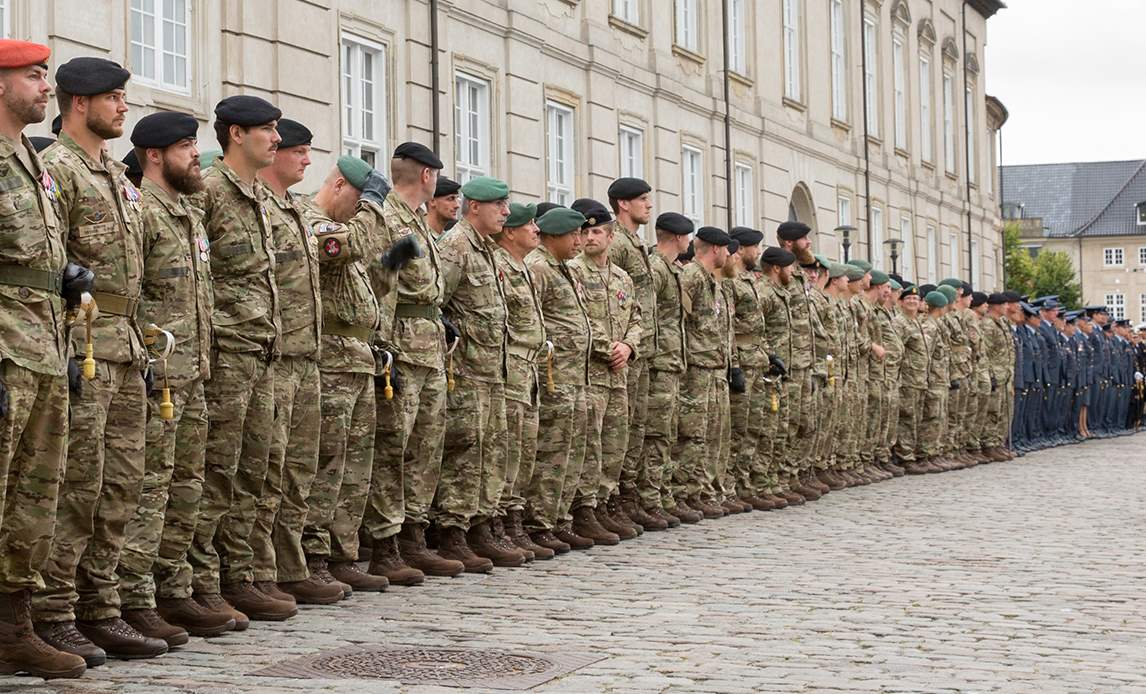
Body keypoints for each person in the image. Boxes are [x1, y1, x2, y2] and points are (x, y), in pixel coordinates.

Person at [34, 57, 167, 663]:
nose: (122, 107)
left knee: (121, 485)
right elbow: (51, 268)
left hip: (124, 348)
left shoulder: (116, 178)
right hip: (80, 348)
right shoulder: (55, 169)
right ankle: (53, 611)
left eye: (123, 95)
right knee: (76, 487)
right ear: (78, 104)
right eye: (112, 97)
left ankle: (100, 605)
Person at [116, 111, 236, 645]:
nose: (196, 154)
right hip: (157, 375)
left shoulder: (186, 214)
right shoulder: (141, 211)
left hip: (194, 372)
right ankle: (135, 596)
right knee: (149, 485)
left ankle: (172, 587)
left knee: (186, 486)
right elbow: (132, 291)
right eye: (186, 146)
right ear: (156, 155)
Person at [0, 38, 90, 680]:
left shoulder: (32, 162)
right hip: (4, 348)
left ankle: (11, 627)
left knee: (34, 498)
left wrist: (66, 277)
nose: (44, 86)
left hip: (41, 347)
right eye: (33, 76)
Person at [188, 94, 292, 626]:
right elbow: (197, 273)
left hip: (263, 350)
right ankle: (203, 581)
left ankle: (242, 573)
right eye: (267, 130)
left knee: (259, 470)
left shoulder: (260, 197)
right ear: (236, 135)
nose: (276, 140)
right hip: (227, 351)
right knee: (218, 470)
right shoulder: (209, 190)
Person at [300, 155, 411, 594]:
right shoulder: (313, 221)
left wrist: (393, 256)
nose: (360, 212)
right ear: (342, 187)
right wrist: (373, 207)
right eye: (359, 201)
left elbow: (371, 275)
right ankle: (313, 554)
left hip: (358, 356)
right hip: (331, 356)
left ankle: (342, 552)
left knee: (354, 468)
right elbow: (347, 247)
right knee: (326, 464)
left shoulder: (348, 226)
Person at [251, 118, 342, 607]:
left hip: (306, 355)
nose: (308, 161)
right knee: (267, 470)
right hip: (273, 355)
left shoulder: (293, 210)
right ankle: (259, 569)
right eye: (300, 151)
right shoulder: (259, 205)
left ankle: (289, 565)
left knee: (298, 469)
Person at [363, 142, 463, 584]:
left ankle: (415, 536)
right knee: (394, 448)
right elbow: (382, 286)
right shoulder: (391, 219)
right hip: (402, 346)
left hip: (429, 347)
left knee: (426, 446)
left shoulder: (418, 222)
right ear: (427, 176)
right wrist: (383, 347)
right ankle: (386, 543)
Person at [436, 176, 520, 569]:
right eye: (498, 205)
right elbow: (437, 301)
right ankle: (453, 530)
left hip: (492, 369)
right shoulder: (456, 246)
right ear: (474, 208)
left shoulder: (487, 249)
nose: (506, 212)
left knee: (491, 449)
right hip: (466, 369)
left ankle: (480, 523)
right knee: (466, 451)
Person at [568, 198, 641, 544]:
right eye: (585, 231)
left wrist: (628, 346)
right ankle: (584, 509)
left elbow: (637, 320)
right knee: (590, 443)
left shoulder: (622, 278)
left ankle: (605, 503)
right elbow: (575, 321)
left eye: (597, 231)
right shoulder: (574, 271)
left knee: (614, 444)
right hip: (591, 372)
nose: (590, 237)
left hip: (618, 373)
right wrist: (606, 348)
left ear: (611, 237)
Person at [522, 207, 593, 553]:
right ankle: (538, 522)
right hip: (554, 376)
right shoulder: (539, 268)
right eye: (573, 235)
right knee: (550, 450)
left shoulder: (564, 269)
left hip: (574, 376)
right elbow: (530, 318)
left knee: (570, 450)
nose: (579, 242)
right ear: (553, 235)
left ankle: (557, 518)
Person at [490, 202, 553, 560]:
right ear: (510, 232)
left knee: (524, 453)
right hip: (509, 368)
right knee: (506, 451)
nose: (536, 229)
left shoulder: (524, 268)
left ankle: (514, 522)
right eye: (528, 224)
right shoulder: (500, 266)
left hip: (527, 370)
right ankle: (497, 524)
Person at [605, 178, 661, 529]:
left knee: (637, 427)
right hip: (621, 350)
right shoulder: (616, 242)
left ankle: (627, 498)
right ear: (623, 204)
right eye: (642, 200)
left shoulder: (636, 242)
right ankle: (611, 503)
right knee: (619, 429)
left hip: (641, 348)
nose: (648, 206)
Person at [642, 213, 700, 523]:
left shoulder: (669, 270)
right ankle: (650, 498)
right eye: (688, 237)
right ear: (679, 238)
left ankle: (662, 493)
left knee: (667, 434)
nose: (689, 242)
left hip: (671, 361)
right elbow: (648, 315)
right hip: (659, 362)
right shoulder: (656, 269)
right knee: (656, 435)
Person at [674, 227, 735, 518]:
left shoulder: (712, 281)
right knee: (692, 433)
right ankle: (684, 492)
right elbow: (679, 320)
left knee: (710, 433)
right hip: (696, 368)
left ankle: (702, 489)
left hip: (713, 367)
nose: (728, 254)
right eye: (725, 249)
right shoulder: (692, 277)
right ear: (714, 249)